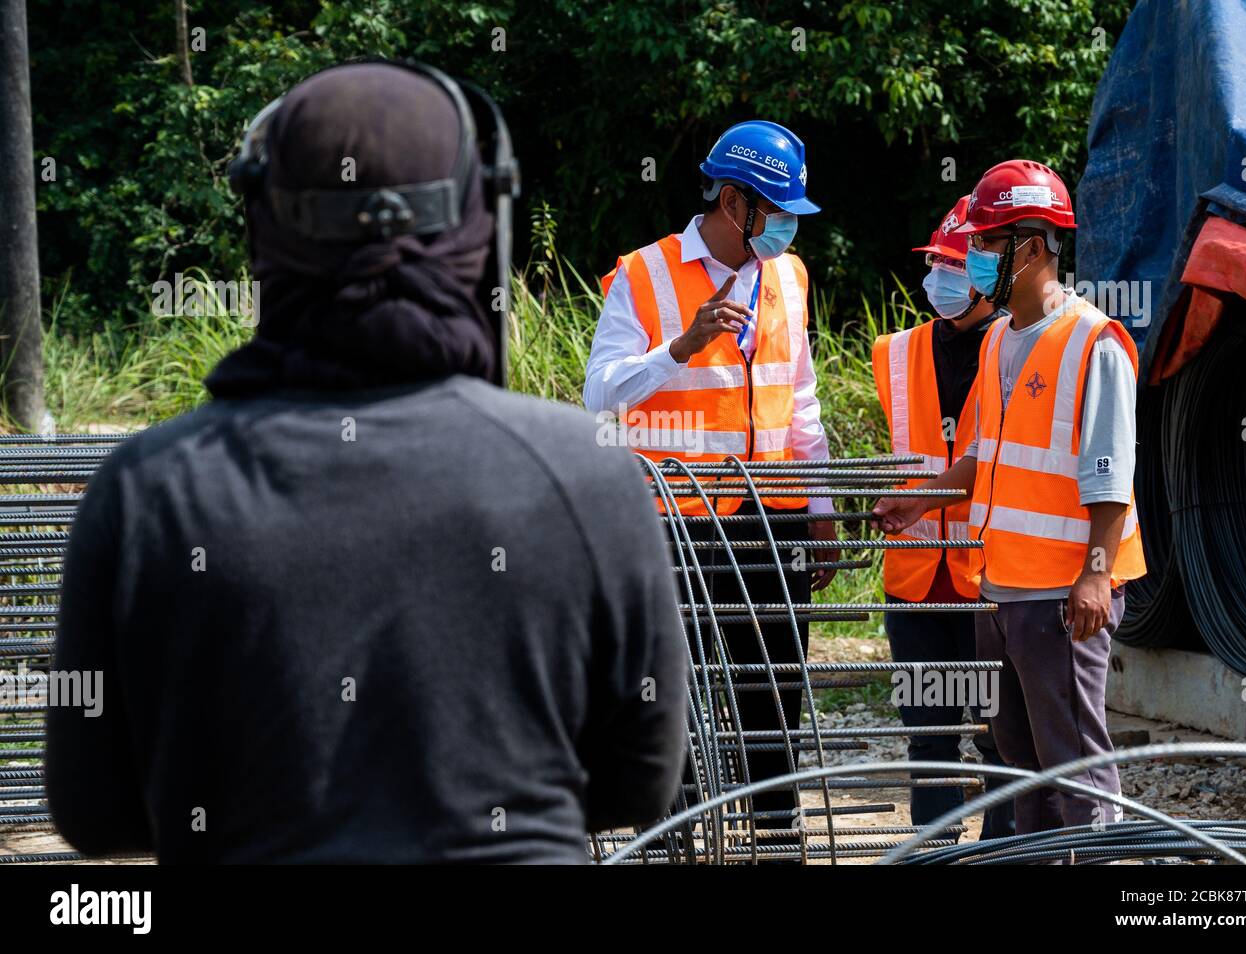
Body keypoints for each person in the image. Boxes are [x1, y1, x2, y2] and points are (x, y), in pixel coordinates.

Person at [46, 61, 687, 864]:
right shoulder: (587, 474)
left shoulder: (146, 491)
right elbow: (638, 785)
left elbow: (93, 811)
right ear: (481, 225)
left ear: (264, 232)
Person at [584, 120, 837, 849]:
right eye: (776, 210)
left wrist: (819, 510)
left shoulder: (787, 275)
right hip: (675, 524)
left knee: (773, 692)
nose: (787, 227)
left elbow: (804, 398)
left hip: (773, 521)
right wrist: (678, 348)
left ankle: (774, 841)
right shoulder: (645, 275)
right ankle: (674, 843)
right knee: (672, 696)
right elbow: (599, 395)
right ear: (733, 202)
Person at [873, 160, 1145, 834]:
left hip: (1062, 594)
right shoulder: (1000, 337)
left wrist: (1094, 577)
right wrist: (921, 501)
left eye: (986, 244)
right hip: (999, 587)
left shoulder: (1092, 341)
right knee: (1023, 763)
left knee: (1075, 763)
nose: (973, 258)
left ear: (1030, 247)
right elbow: (982, 456)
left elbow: (1110, 477)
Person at [871, 195, 1013, 839]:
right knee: (927, 736)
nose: (941, 278)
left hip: (987, 574)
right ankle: (935, 849)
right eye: (935, 264)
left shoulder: (1019, 348)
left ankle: (1005, 848)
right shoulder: (895, 352)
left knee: (1000, 735)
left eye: (954, 266)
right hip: (917, 574)